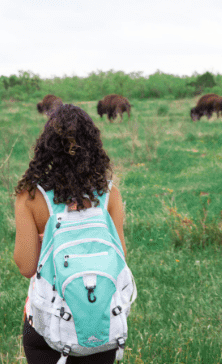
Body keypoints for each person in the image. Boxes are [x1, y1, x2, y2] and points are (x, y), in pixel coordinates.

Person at [13, 104, 127, 363]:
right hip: (100, 320)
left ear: (46, 147)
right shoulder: (110, 194)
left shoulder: (31, 196)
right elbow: (119, 257)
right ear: (93, 146)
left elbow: (26, 265)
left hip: (48, 321)